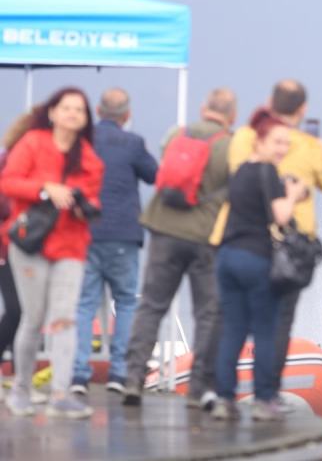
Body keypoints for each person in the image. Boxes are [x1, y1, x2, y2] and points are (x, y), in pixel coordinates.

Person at [210, 79, 322, 398]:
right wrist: (319, 156)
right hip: (285, 248)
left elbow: (231, 166)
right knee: (275, 326)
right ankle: (268, 395)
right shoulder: (307, 146)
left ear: (269, 103)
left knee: (227, 322)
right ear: (302, 109)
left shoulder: (244, 138)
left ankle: (213, 390)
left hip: (231, 241)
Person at [122, 87, 237, 408]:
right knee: (208, 314)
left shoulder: (177, 134)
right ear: (232, 116)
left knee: (151, 307)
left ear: (203, 109)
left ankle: (132, 378)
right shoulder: (231, 146)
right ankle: (198, 389)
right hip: (205, 238)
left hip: (164, 230)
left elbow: (165, 170)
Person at [0, 88, 104, 419]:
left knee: (64, 318)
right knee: (33, 317)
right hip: (31, 244)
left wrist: (86, 207)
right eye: (67, 107)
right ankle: (21, 389)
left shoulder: (89, 158)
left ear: (86, 118)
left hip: (71, 245)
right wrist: (45, 189)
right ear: (53, 112)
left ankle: (61, 392)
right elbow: (7, 182)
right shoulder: (32, 143)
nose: (73, 114)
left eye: (80, 109)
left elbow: (93, 197)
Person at [212, 109, 308, 421]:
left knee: (234, 330)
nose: (281, 149)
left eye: (285, 144)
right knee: (266, 332)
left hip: (227, 257)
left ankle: (224, 398)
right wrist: (293, 194)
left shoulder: (241, 171)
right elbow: (280, 217)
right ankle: (264, 399)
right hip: (254, 257)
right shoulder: (267, 171)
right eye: (277, 142)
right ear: (260, 142)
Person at [70, 87, 158, 396]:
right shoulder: (133, 143)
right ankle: (119, 373)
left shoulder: (82, 142)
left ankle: (79, 375)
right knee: (126, 303)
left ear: (97, 109)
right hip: (123, 234)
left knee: (83, 306)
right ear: (128, 114)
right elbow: (154, 175)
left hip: (87, 232)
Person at [0, 112, 34, 381]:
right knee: (18, 310)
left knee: (22, 311)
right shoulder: (10, 163)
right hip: (8, 247)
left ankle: (20, 375)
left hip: (22, 247)